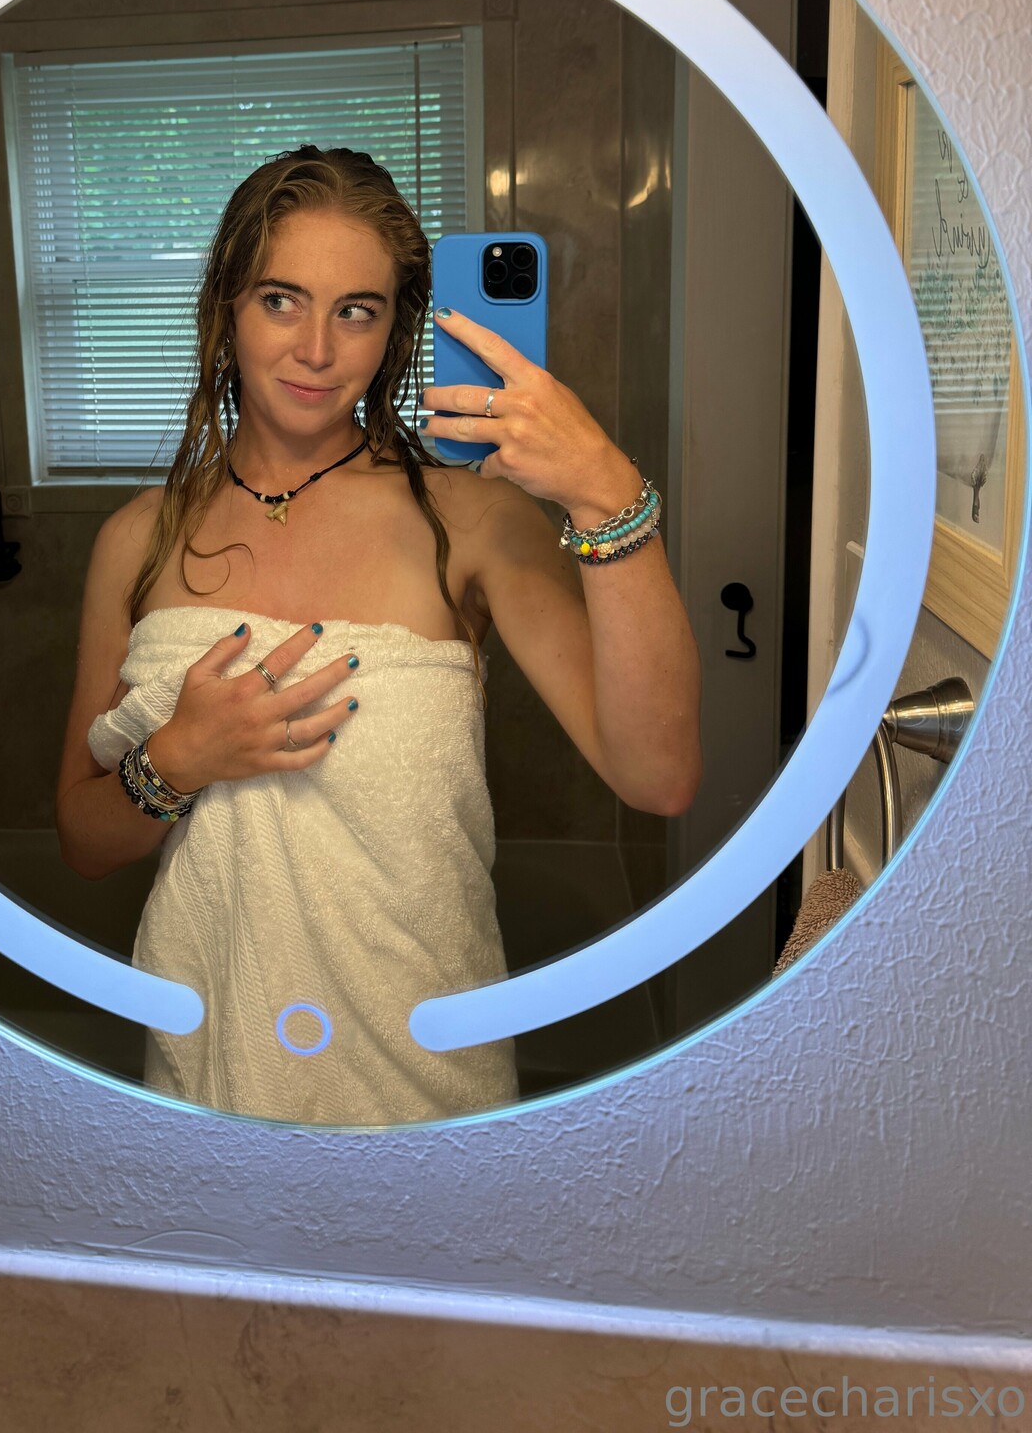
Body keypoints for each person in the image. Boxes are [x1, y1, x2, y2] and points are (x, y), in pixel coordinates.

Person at [55, 145, 702, 1127]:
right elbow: (82, 838)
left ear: (396, 330)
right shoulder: (136, 541)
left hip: (424, 1088)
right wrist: (178, 760)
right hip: (212, 1082)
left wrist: (606, 493)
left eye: (356, 310)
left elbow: (658, 776)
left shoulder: (473, 519)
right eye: (281, 300)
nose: (317, 349)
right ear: (227, 308)